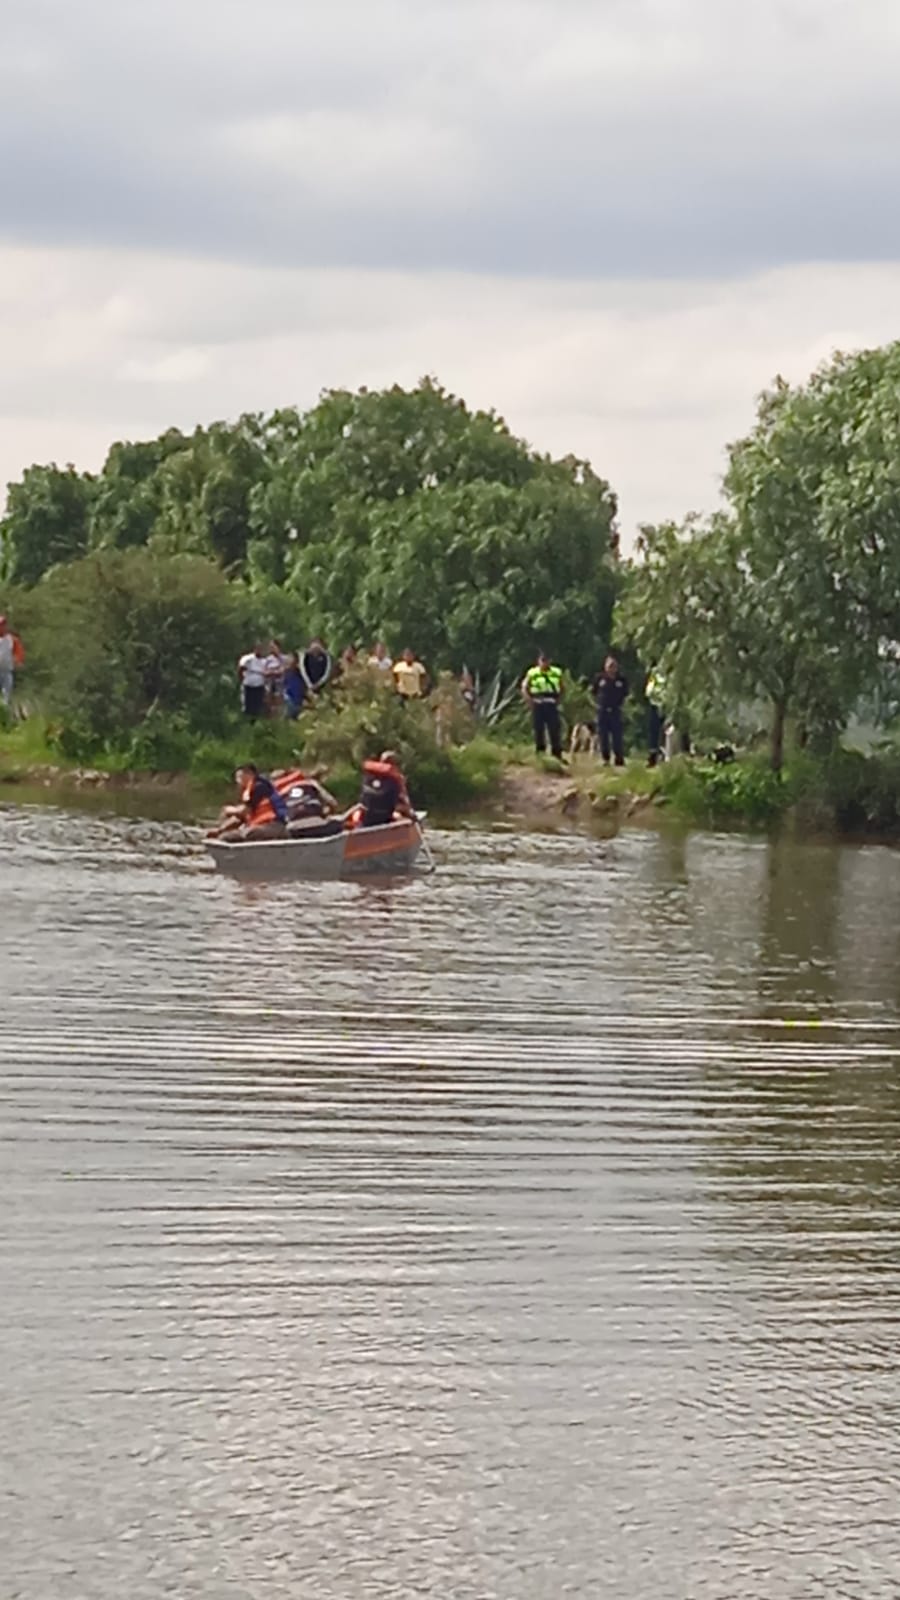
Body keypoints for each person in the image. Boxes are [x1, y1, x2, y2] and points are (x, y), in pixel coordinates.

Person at [207, 763, 288, 842]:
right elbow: (239, 819)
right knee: (226, 836)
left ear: (249, 774)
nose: (237, 781)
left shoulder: (259, 787)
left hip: (273, 826)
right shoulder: (248, 792)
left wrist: (229, 810)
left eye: (239, 777)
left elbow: (244, 811)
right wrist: (219, 830)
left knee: (247, 833)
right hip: (262, 826)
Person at [522, 651, 564, 759]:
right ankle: (540, 754)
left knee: (554, 729)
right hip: (538, 703)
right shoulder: (532, 673)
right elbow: (525, 687)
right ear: (538, 661)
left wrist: (559, 700)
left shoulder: (556, 672)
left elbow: (562, 687)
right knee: (538, 730)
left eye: (546, 660)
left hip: (551, 703)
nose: (544, 663)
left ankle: (557, 754)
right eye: (542, 660)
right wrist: (529, 701)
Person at [355, 750, 413, 828]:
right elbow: (403, 801)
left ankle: (355, 828)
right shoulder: (396, 778)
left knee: (358, 810)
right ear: (394, 764)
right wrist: (411, 814)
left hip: (366, 816)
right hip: (386, 817)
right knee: (403, 816)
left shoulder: (369, 775)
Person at [592, 654, 629, 767]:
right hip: (602, 710)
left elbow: (625, 693)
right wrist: (597, 704)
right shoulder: (599, 678)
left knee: (617, 735)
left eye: (614, 666)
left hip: (615, 710)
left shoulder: (621, 679)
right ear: (605, 667)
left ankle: (619, 758)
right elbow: (593, 692)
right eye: (609, 666)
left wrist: (621, 704)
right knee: (603, 735)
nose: (612, 668)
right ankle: (605, 758)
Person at [238, 643, 270, 720]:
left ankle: (256, 721)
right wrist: (242, 679)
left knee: (258, 706)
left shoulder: (264, 661)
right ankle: (247, 720)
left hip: (259, 686)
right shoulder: (248, 659)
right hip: (249, 686)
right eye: (258, 649)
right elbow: (240, 669)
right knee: (248, 706)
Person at [0, 616, 23, 709]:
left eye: (2, 625)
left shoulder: (12, 639)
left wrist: (17, 660)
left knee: (6, 698)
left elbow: (19, 652)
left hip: (6, 671)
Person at [645, 666, 666, 767]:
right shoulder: (655, 673)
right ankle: (653, 756)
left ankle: (666, 755)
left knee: (667, 732)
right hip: (655, 705)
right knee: (654, 731)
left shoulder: (674, 672)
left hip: (669, 706)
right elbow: (649, 690)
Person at [282, 651, 306, 720]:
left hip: (299, 702)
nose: (288, 660)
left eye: (290, 658)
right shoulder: (287, 673)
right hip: (290, 701)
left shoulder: (301, 673)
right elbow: (285, 686)